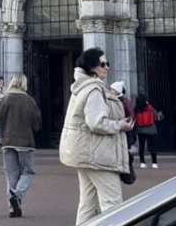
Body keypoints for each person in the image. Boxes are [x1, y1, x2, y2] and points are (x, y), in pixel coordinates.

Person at [59, 48, 132, 224]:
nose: (107, 67)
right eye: (102, 64)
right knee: (113, 203)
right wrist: (120, 125)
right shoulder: (94, 89)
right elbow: (96, 122)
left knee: (88, 205)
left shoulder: (83, 87)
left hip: (87, 152)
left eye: (108, 63)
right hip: (98, 154)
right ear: (92, 67)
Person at [0, 73, 42, 218]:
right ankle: (17, 195)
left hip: (8, 141)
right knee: (28, 171)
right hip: (25, 142)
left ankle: (13, 209)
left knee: (12, 175)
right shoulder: (29, 100)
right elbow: (37, 123)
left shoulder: (5, 99)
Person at [134, 93, 159, 169]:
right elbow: (156, 114)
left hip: (141, 130)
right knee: (152, 147)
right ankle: (154, 163)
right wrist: (148, 104)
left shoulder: (136, 109)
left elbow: (134, 119)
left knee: (141, 147)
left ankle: (142, 162)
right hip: (151, 130)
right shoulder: (149, 107)